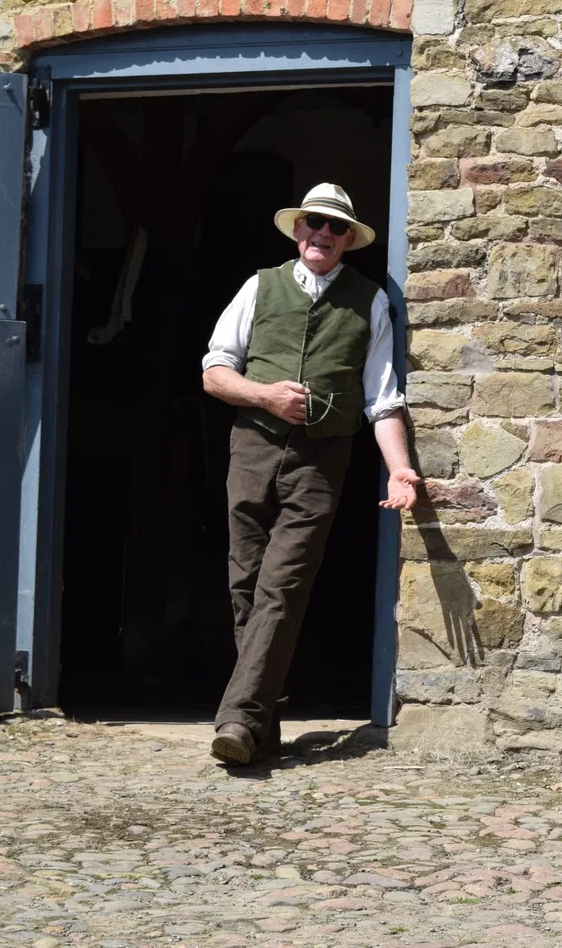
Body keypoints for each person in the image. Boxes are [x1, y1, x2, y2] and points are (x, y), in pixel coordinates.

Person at [201, 183, 420, 765]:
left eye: (335, 227)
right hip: (252, 448)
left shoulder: (370, 301)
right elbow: (215, 371)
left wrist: (401, 471)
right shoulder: (259, 286)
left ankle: (238, 720)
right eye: (313, 223)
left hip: (322, 460)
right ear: (297, 229)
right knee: (244, 583)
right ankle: (263, 723)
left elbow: (383, 399)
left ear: (348, 239)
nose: (321, 233)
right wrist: (265, 396)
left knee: (283, 584)